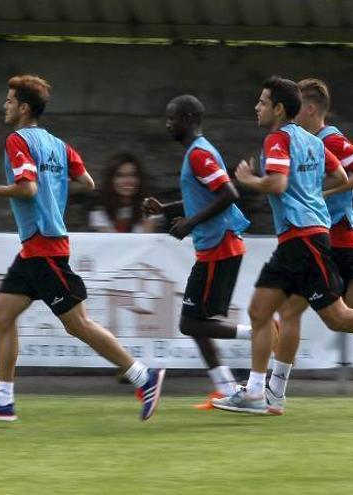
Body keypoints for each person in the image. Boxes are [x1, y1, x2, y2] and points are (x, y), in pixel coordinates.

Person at [211, 76, 353, 415]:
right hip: (301, 237)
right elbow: (343, 177)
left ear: (279, 109)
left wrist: (248, 179)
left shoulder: (277, 139)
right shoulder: (313, 142)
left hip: (303, 237)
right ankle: (260, 391)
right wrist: (313, 194)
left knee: (338, 316)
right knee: (260, 310)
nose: (257, 107)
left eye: (262, 102)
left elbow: (278, 183)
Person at [0, 75, 165, 422]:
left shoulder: (17, 141)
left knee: (79, 325)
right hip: (34, 249)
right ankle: (3, 400)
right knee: (2, 314)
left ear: (24, 108)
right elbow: (87, 182)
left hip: (44, 247)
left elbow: (26, 189)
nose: (5, 105)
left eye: (10, 101)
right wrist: (52, 192)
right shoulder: (59, 145)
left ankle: (142, 375)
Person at [142, 94, 252, 408]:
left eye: (172, 118)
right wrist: (165, 209)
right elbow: (203, 198)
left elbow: (229, 193)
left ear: (189, 118)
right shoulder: (197, 153)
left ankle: (260, 333)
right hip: (214, 247)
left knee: (191, 323)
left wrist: (189, 224)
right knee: (196, 321)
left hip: (220, 247)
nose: (167, 124)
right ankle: (226, 387)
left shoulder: (199, 154)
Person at [88, 152, 159, 233]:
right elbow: (109, 242)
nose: (127, 181)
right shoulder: (98, 209)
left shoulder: (150, 206)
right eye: (120, 175)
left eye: (133, 175)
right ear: (111, 180)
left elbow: (147, 240)